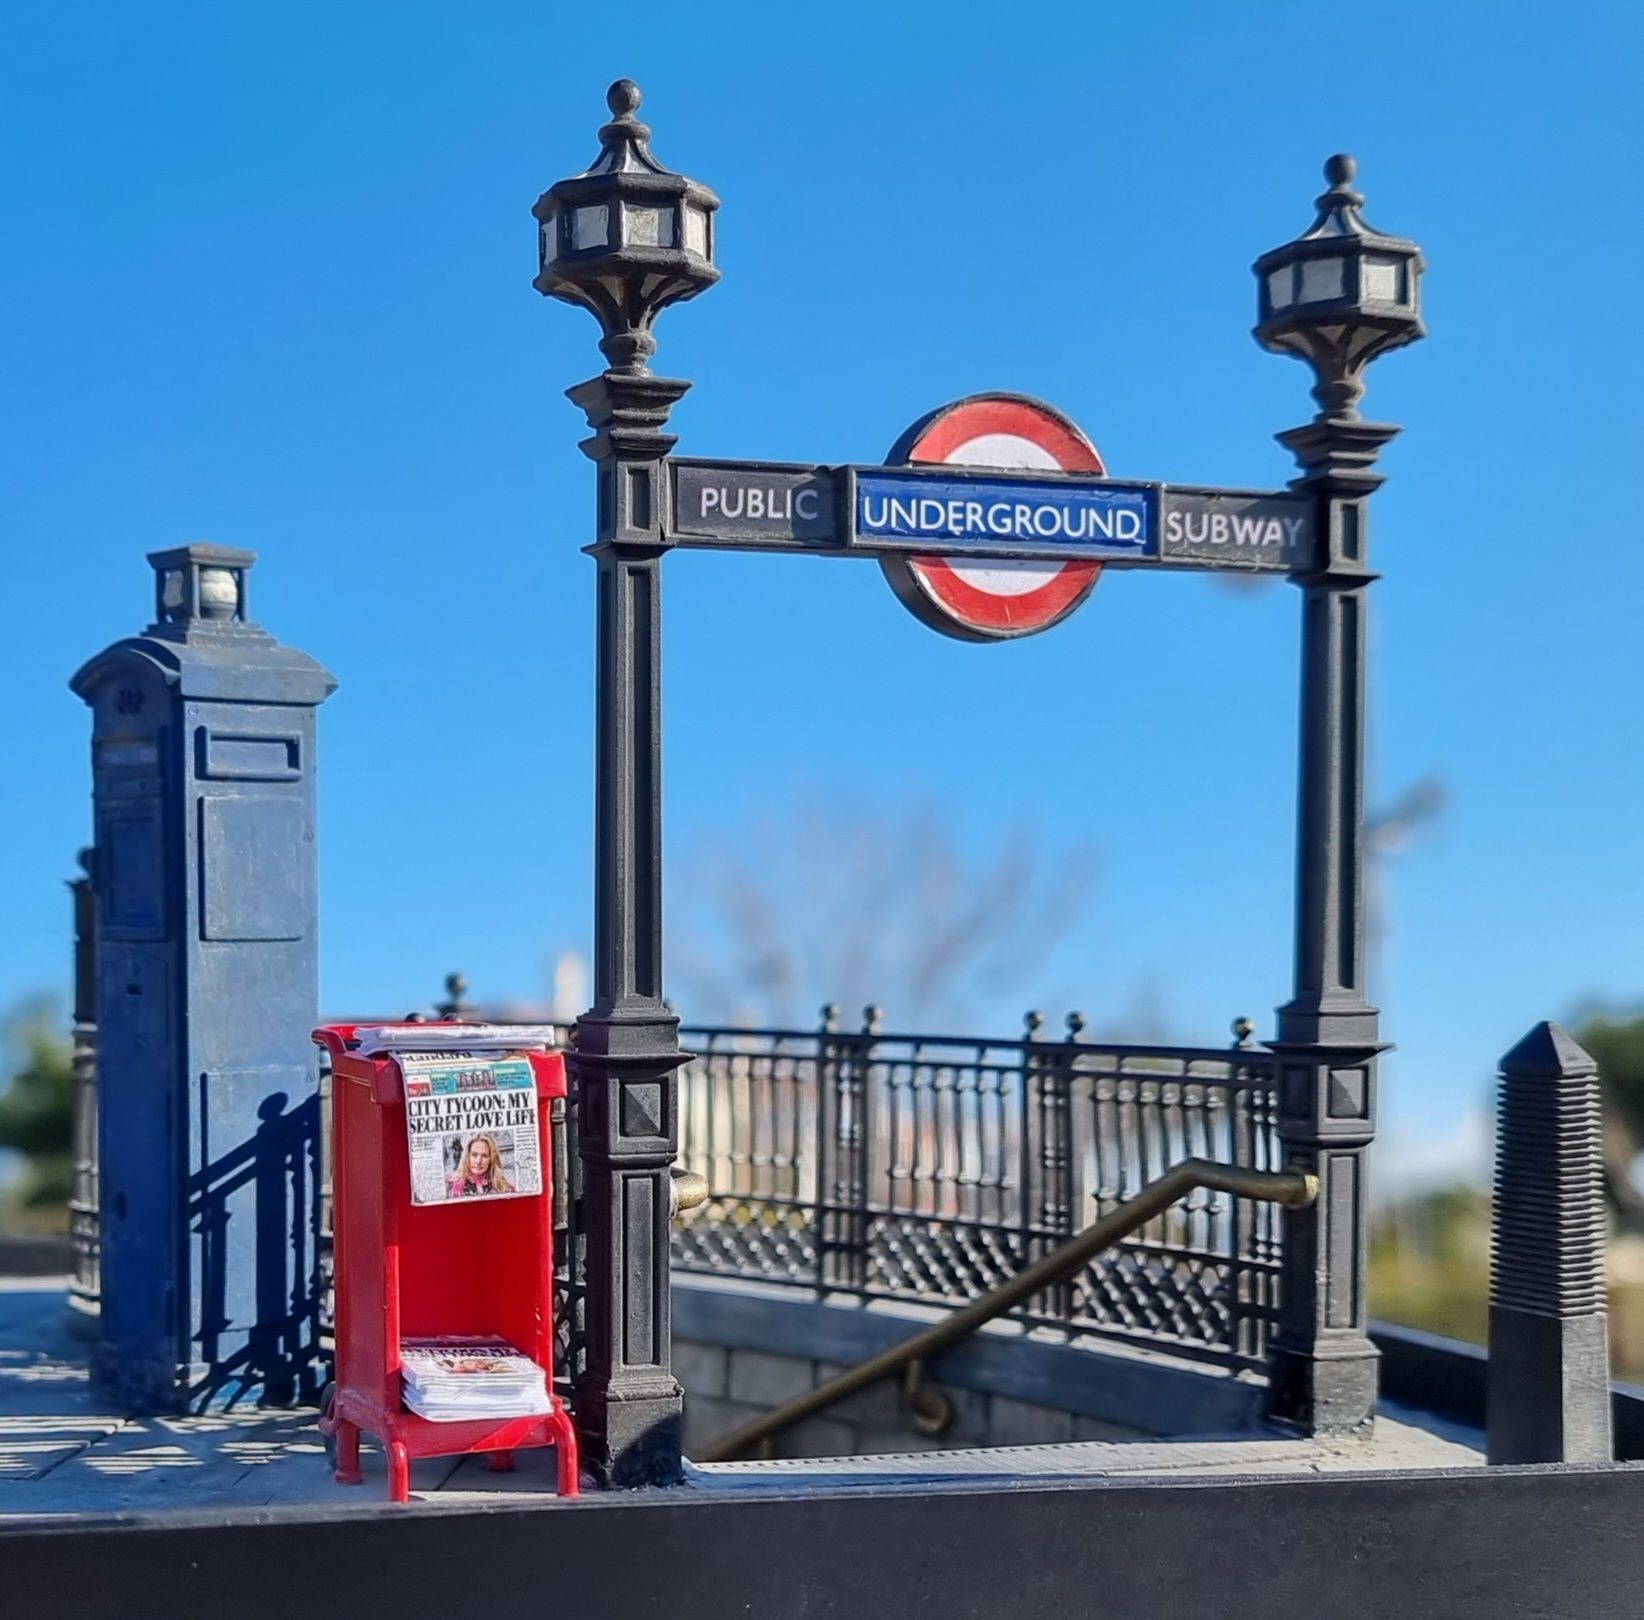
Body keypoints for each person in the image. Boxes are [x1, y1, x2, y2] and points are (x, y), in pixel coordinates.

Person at [447, 1132, 514, 1197]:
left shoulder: (506, 1188)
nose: (478, 1161)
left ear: (492, 1159)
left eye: (484, 1156)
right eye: (474, 1155)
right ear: (467, 1156)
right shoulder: (450, 1185)